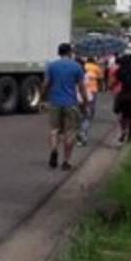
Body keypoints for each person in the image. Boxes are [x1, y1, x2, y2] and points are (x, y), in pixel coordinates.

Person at [40, 43, 87, 171]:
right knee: (70, 132)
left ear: (58, 52)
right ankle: (66, 161)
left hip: (55, 102)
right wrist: (85, 103)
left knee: (54, 129)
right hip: (70, 102)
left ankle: (54, 150)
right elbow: (82, 88)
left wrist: (42, 98)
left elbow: (46, 84)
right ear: (70, 52)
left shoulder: (52, 66)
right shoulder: (77, 67)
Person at [77, 56, 102, 146]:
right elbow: (100, 78)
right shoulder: (92, 70)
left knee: (78, 117)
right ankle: (83, 134)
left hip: (76, 97)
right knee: (87, 116)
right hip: (89, 94)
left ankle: (79, 135)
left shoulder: (75, 74)